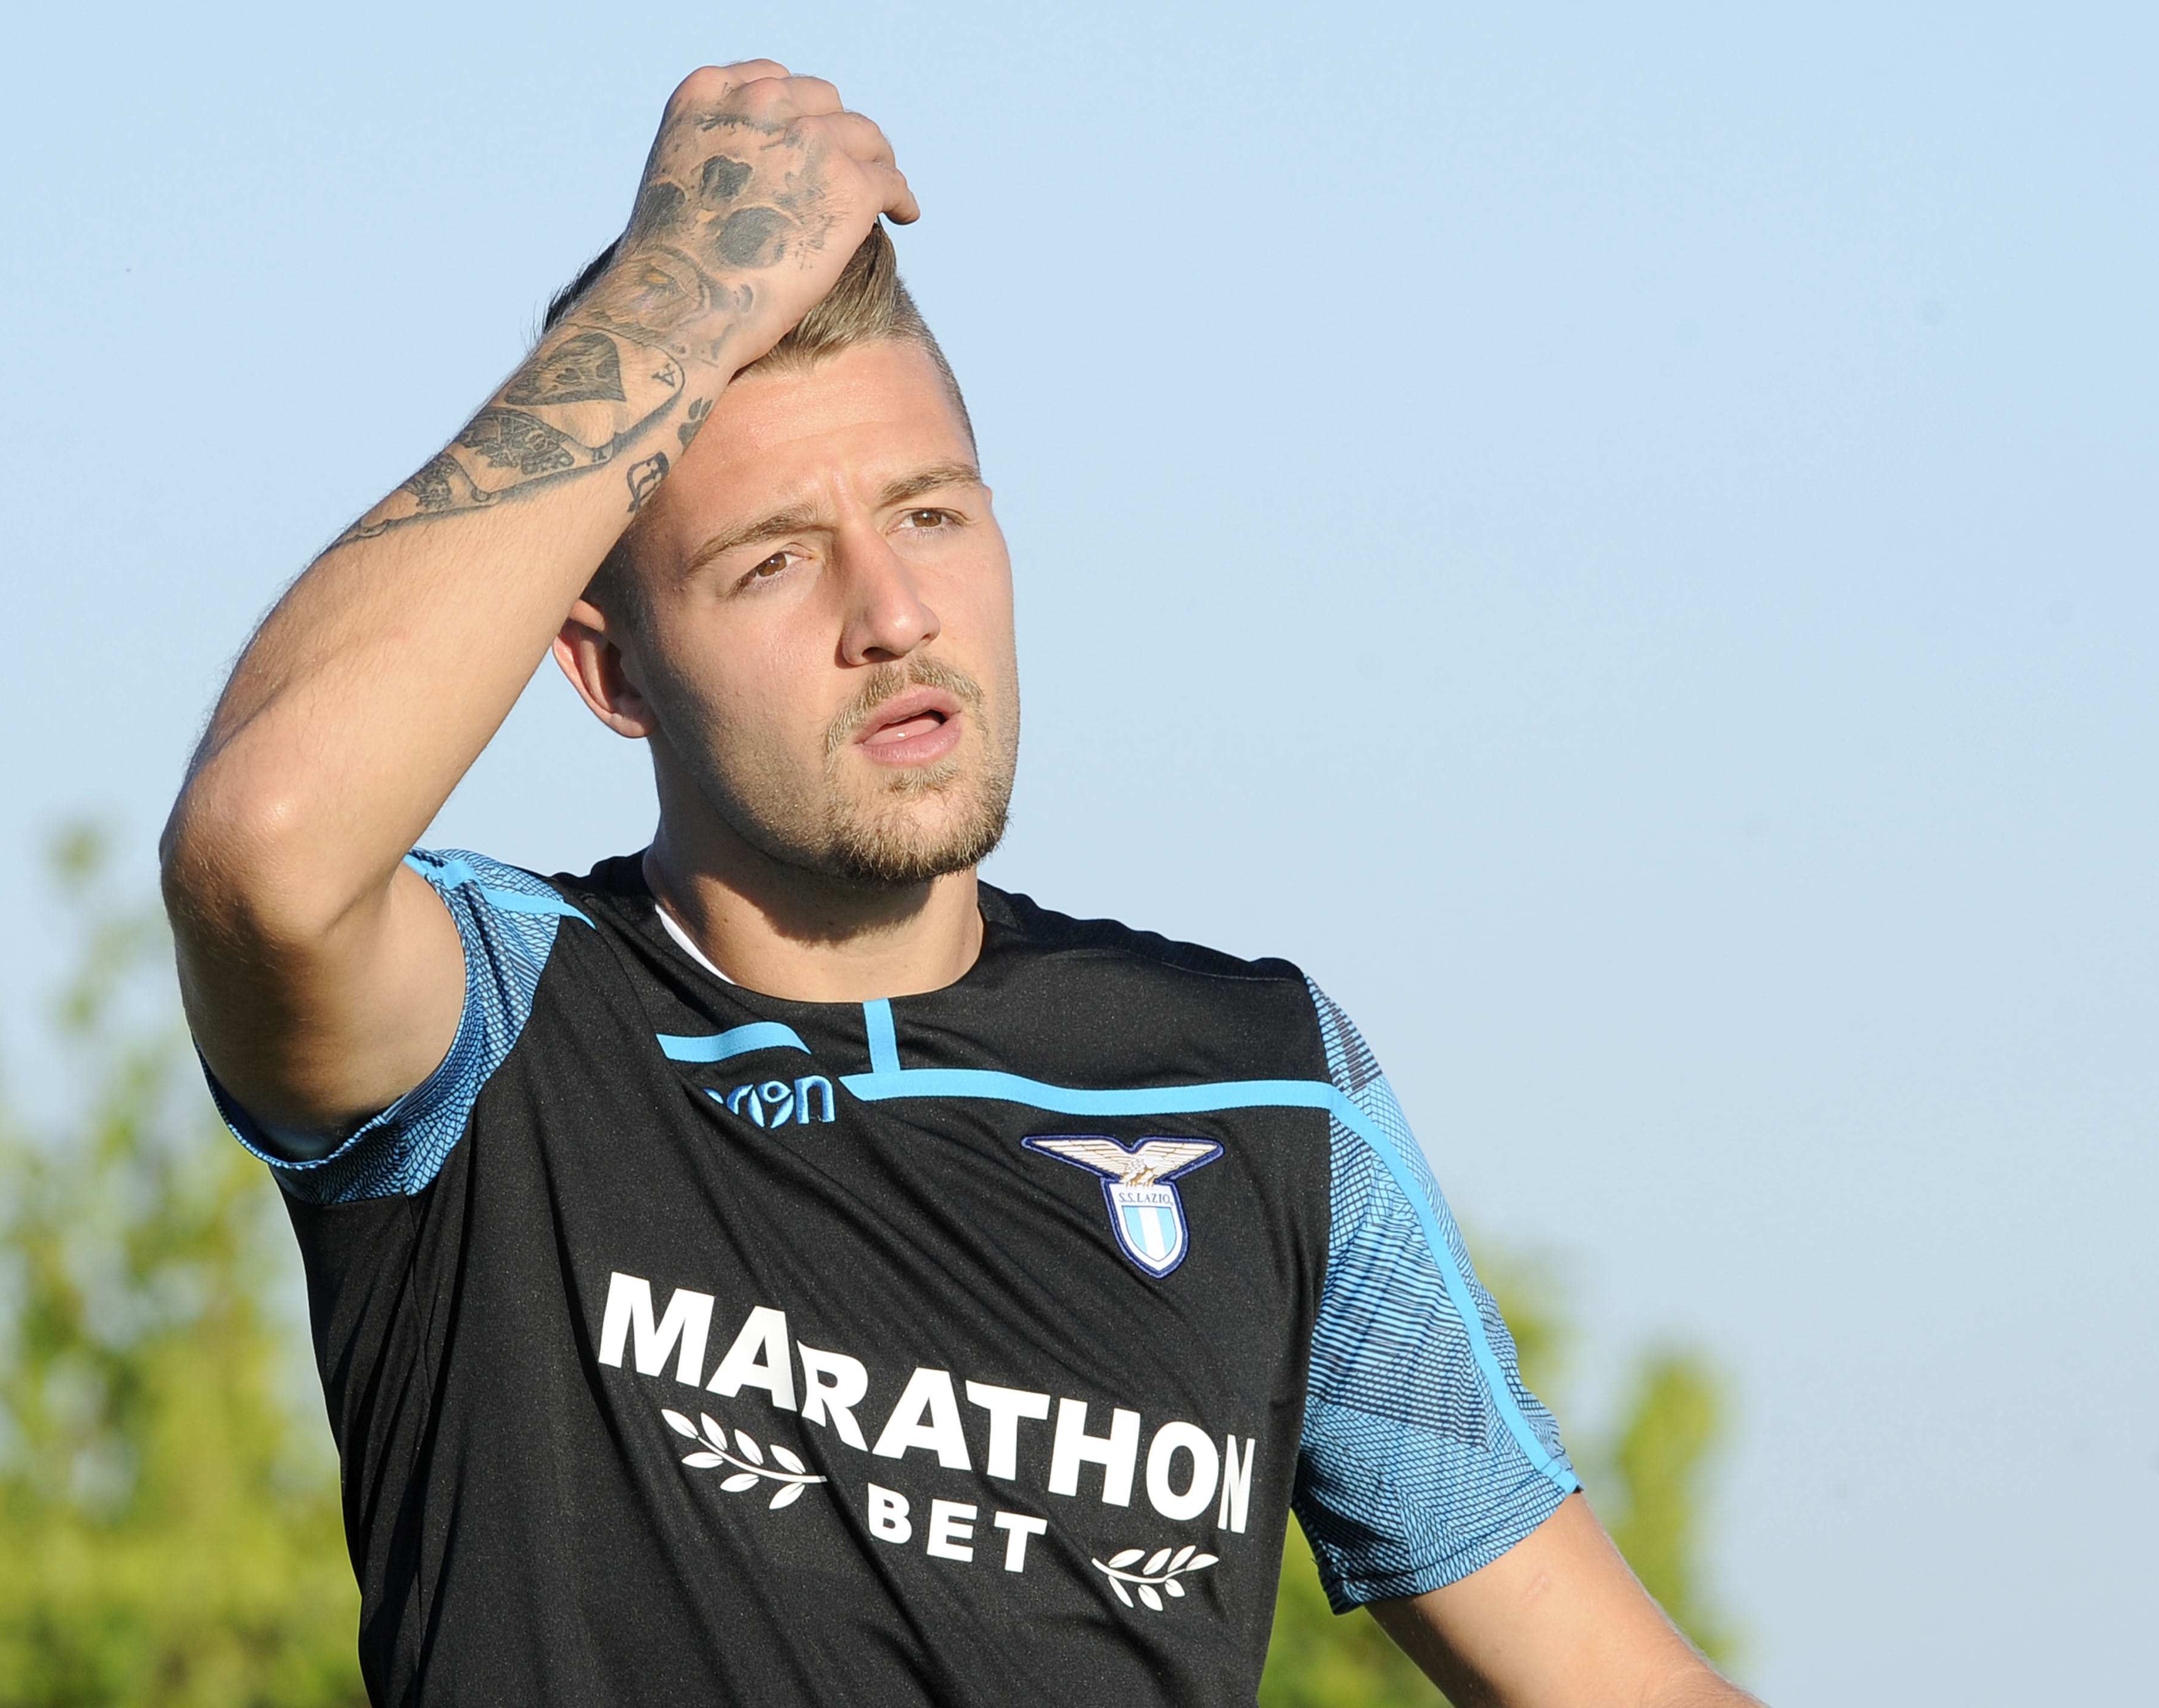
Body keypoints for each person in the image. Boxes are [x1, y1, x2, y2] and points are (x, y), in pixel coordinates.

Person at [160, 61, 1762, 1707]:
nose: (894, 610)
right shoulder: (499, 1033)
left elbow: (1621, 1685)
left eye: (931, 515)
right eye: (773, 558)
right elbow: (263, 849)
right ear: (609, 669)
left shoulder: (1268, 1084)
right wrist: (681, 293)